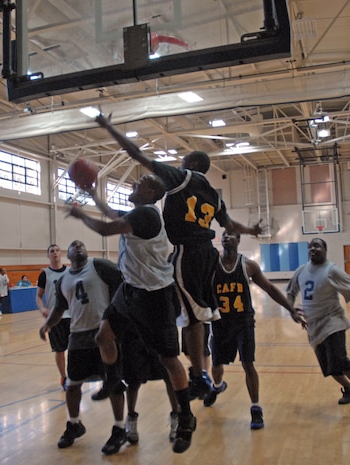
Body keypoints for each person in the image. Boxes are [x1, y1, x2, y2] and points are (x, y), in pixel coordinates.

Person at [94, 113, 263, 400]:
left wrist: (109, 127)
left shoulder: (182, 177)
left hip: (187, 251)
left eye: (184, 159)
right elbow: (229, 225)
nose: (179, 162)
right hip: (206, 255)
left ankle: (197, 375)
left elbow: (137, 154)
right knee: (193, 315)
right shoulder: (214, 195)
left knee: (191, 315)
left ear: (193, 165)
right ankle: (197, 372)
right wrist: (252, 229)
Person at [68, 173, 196, 454]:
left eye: (141, 182)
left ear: (151, 192)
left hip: (155, 296)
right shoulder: (138, 213)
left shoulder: (148, 216)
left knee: (168, 359)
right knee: (104, 337)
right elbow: (110, 212)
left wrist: (79, 214)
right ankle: (113, 382)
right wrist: (91, 193)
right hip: (130, 290)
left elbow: (104, 228)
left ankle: (186, 416)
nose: (135, 182)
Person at [204, 231, 305, 429]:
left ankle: (256, 408)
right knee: (216, 366)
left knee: (248, 364)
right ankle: (217, 387)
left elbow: (271, 289)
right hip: (220, 323)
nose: (226, 237)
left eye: (231, 235)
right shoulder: (211, 264)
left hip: (244, 322)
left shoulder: (248, 265)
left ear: (238, 241)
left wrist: (291, 309)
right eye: (224, 234)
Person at [39, 240, 124, 451]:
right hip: (77, 336)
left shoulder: (99, 265)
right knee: (72, 385)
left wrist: (117, 314)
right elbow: (59, 307)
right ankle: (74, 424)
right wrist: (46, 325)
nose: (78, 245)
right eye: (73, 245)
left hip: (103, 334)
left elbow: (123, 281)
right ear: (68, 255)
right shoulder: (63, 279)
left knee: (113, 382)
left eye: (81, 244)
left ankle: (119, 428)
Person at [286, 237, 350, 405]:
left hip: (333, 322)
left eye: (317, 246)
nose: (312, 249)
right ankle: (348, 388)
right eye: (310, 246)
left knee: (340, 361)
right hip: (313, 327)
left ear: (325, 249)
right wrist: (292, 310)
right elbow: (290, 292)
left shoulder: (332, 270)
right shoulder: (301, 271)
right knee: (330, 367)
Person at [36, 244, 71, 390]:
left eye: (57, 250)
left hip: (71, 316)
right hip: (55, 317)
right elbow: (38, 295)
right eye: (52, 251)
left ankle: (76, 376)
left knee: (75, 349)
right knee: (59, 349)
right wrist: (42, 309)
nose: (55, 253)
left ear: (61, 253)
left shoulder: (70, 271)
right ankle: (64, 377)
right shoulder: (45, 274)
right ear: (48, 255)